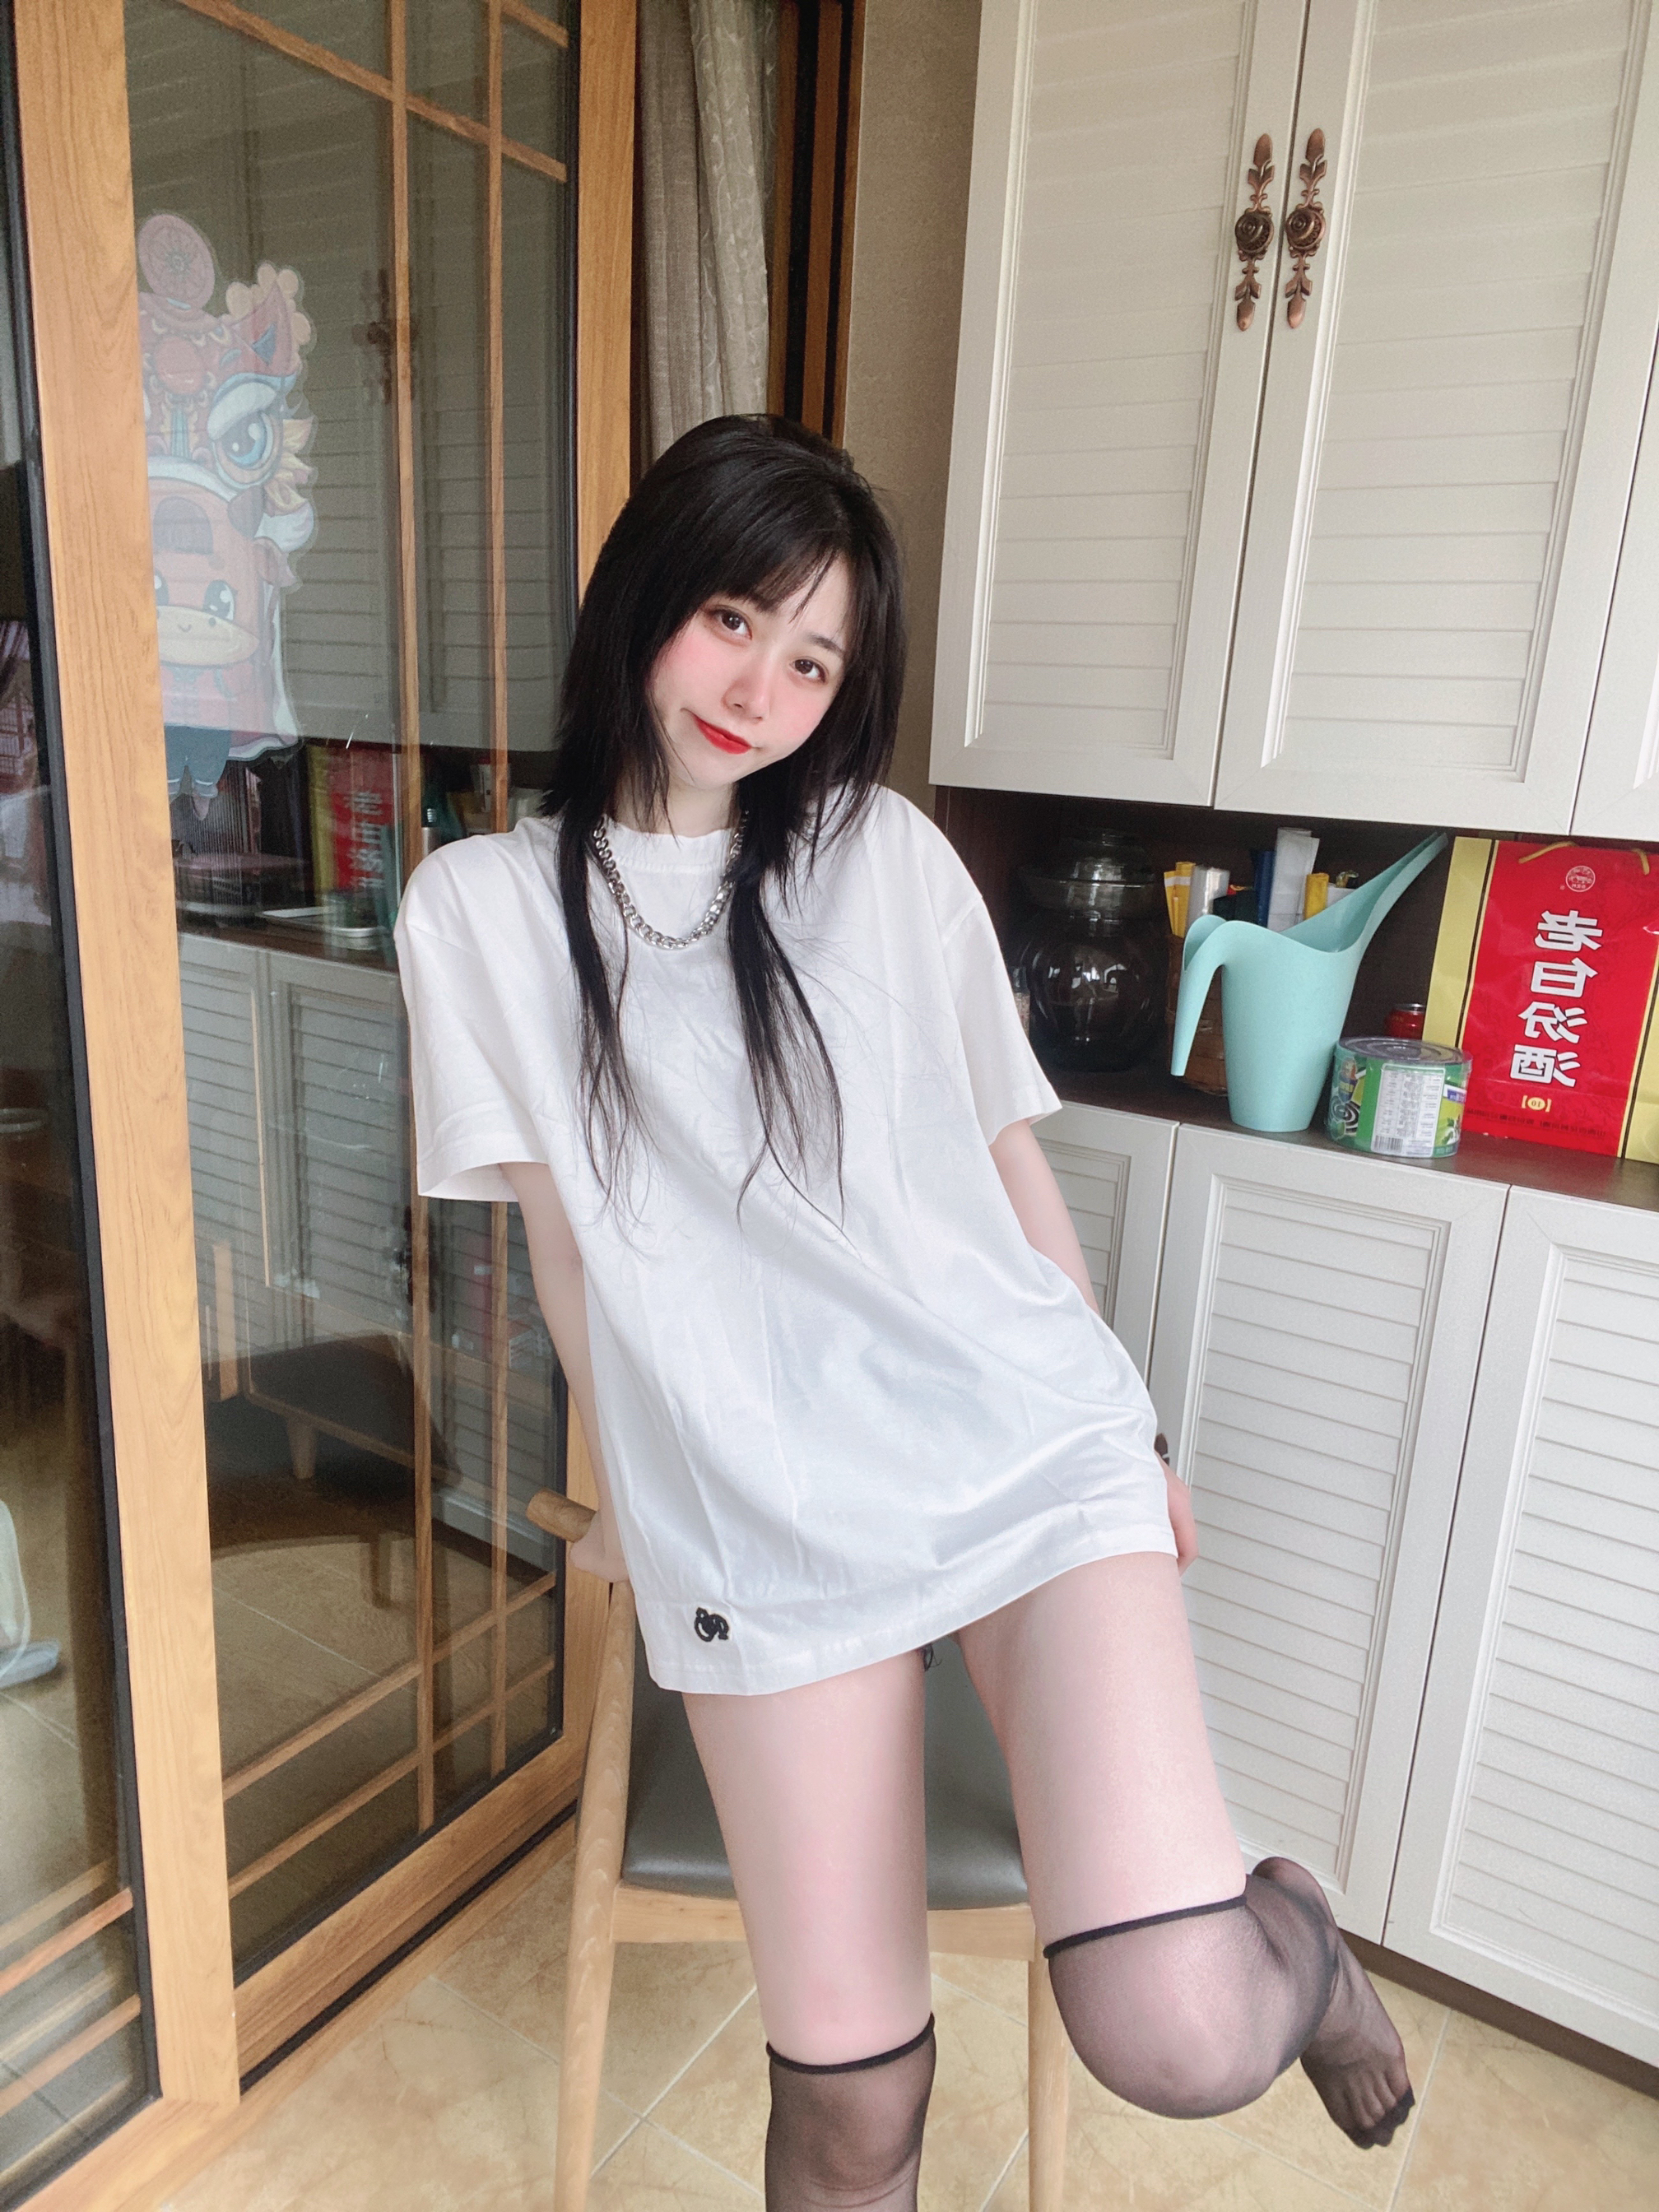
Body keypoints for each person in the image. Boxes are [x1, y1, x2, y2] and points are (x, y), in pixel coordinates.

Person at [394, 416, 1413, 2210]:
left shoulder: (877, 852)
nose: (760, 692)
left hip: (1018, 1450)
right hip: (762, 1518)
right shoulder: (475, 909)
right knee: (853, 2111)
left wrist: (1131, 1434)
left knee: (1178, 2034)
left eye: (813, 661)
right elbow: (573, 1249)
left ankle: (1302, 1945)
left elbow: (1006, 1165)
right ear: (643, 596)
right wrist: (636, 1496)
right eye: (732, 620)